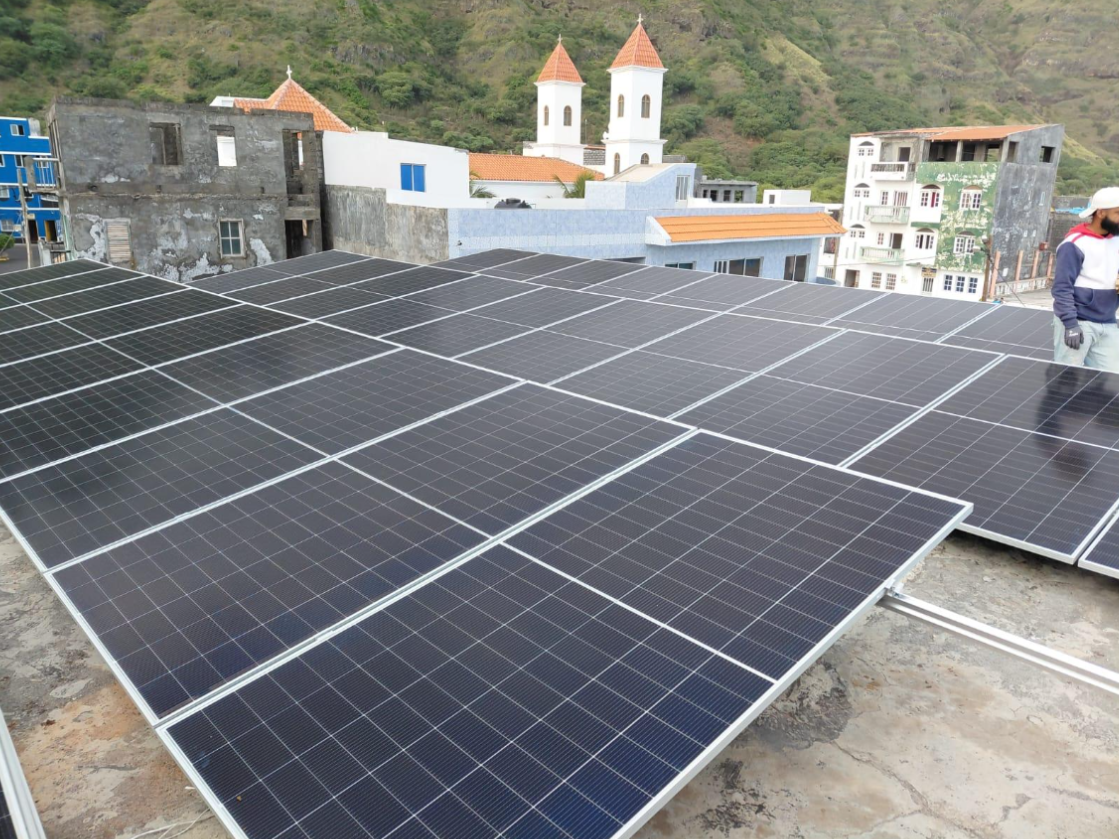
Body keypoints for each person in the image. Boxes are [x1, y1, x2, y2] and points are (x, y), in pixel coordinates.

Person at [1053, 187, 1119, 371]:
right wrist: (1070, 324)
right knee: (1067, 378)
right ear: (1101, 212)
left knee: (1111, 380)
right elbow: (1061, 288)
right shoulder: (1074, 244)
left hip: (1108, 322)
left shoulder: (1116, 240)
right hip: (1078, 322)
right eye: (1118, 213)